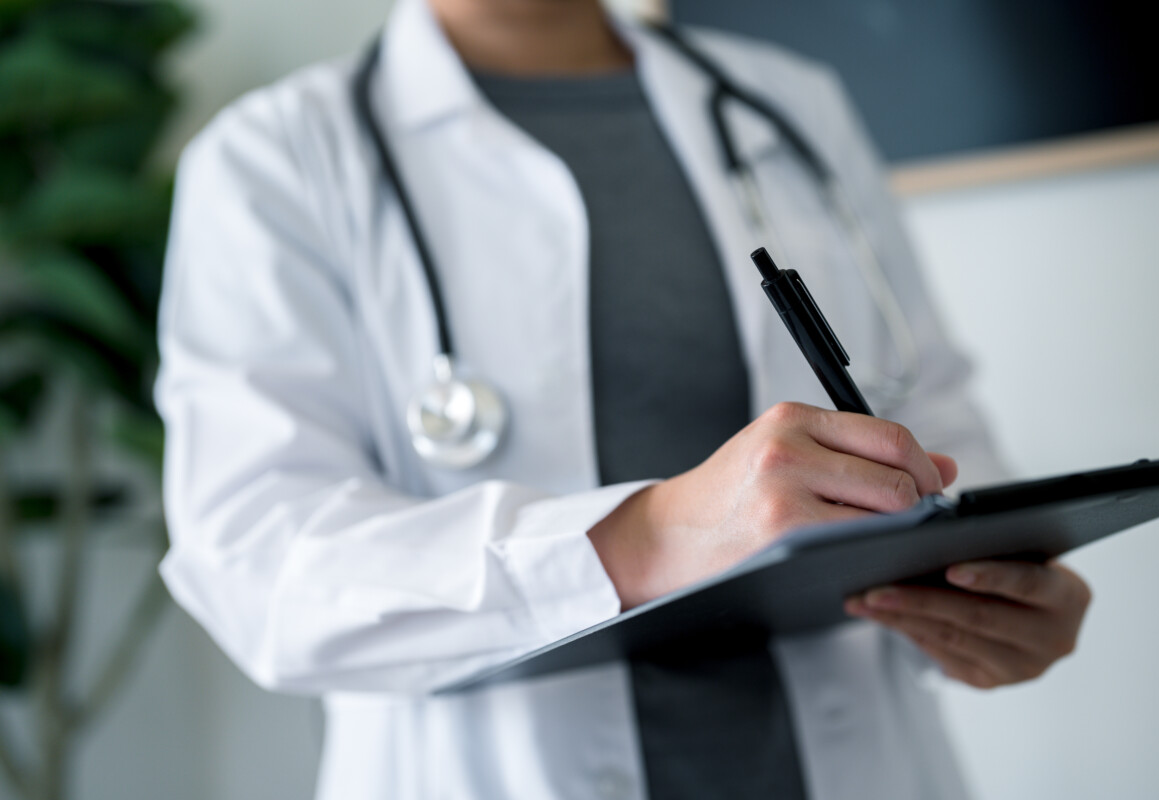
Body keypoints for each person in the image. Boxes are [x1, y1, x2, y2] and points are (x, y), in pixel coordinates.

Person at [155, 0, 1092, 797]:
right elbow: (259, 564)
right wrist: (650, 533)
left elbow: (933, 416)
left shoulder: (790, 105)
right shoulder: (273, 158)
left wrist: (994, 585)